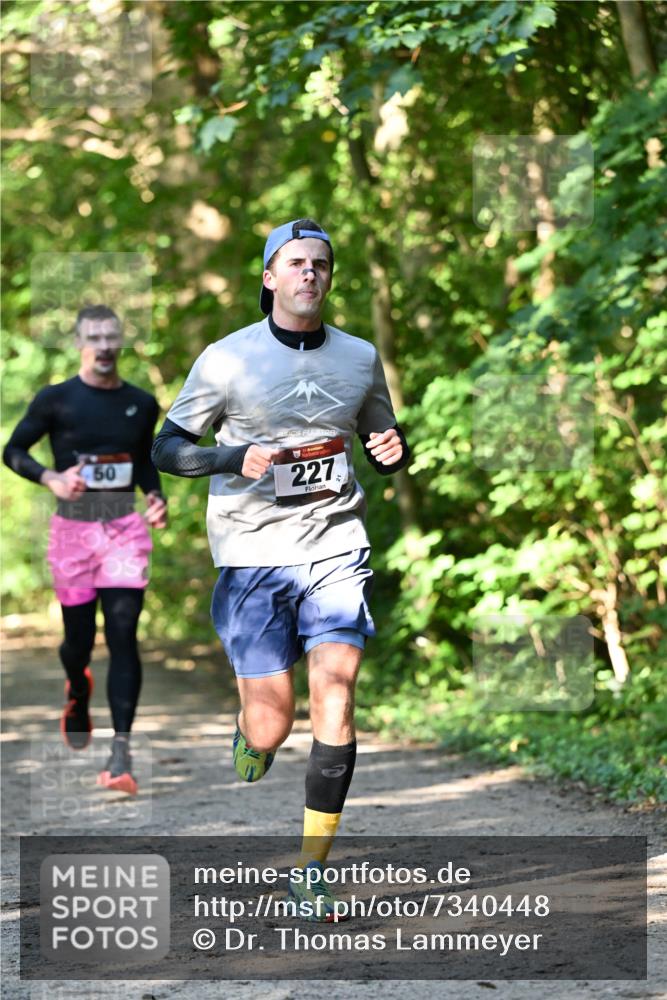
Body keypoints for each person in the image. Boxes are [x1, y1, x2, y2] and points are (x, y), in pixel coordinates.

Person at [151, 219, 409, 919]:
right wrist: (231, 458)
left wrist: (391, 450)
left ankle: (309, 871)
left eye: (320, 264)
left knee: (338, 689)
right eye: (295, 263)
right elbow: (167, 450)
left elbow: (384, 436)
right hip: (253, 551)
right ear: (269, 277)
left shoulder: (357, 357)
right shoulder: (227, 359)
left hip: (333, 542)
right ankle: (253, 734)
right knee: (272, 725)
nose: (309, 274)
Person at [3, 305, 167, 795]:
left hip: (123, 531)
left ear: (122, 341)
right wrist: (50, 477)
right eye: (93, 336)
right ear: (79, 341)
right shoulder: (57, 400)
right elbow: (12, 450)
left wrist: (155, 497)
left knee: (123, 635)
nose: (103, 345)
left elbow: (143, 464)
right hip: (73, 534)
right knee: (77, 642)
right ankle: (77, 687)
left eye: (111, 336)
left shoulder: (141, 402)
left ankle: (121, 753)